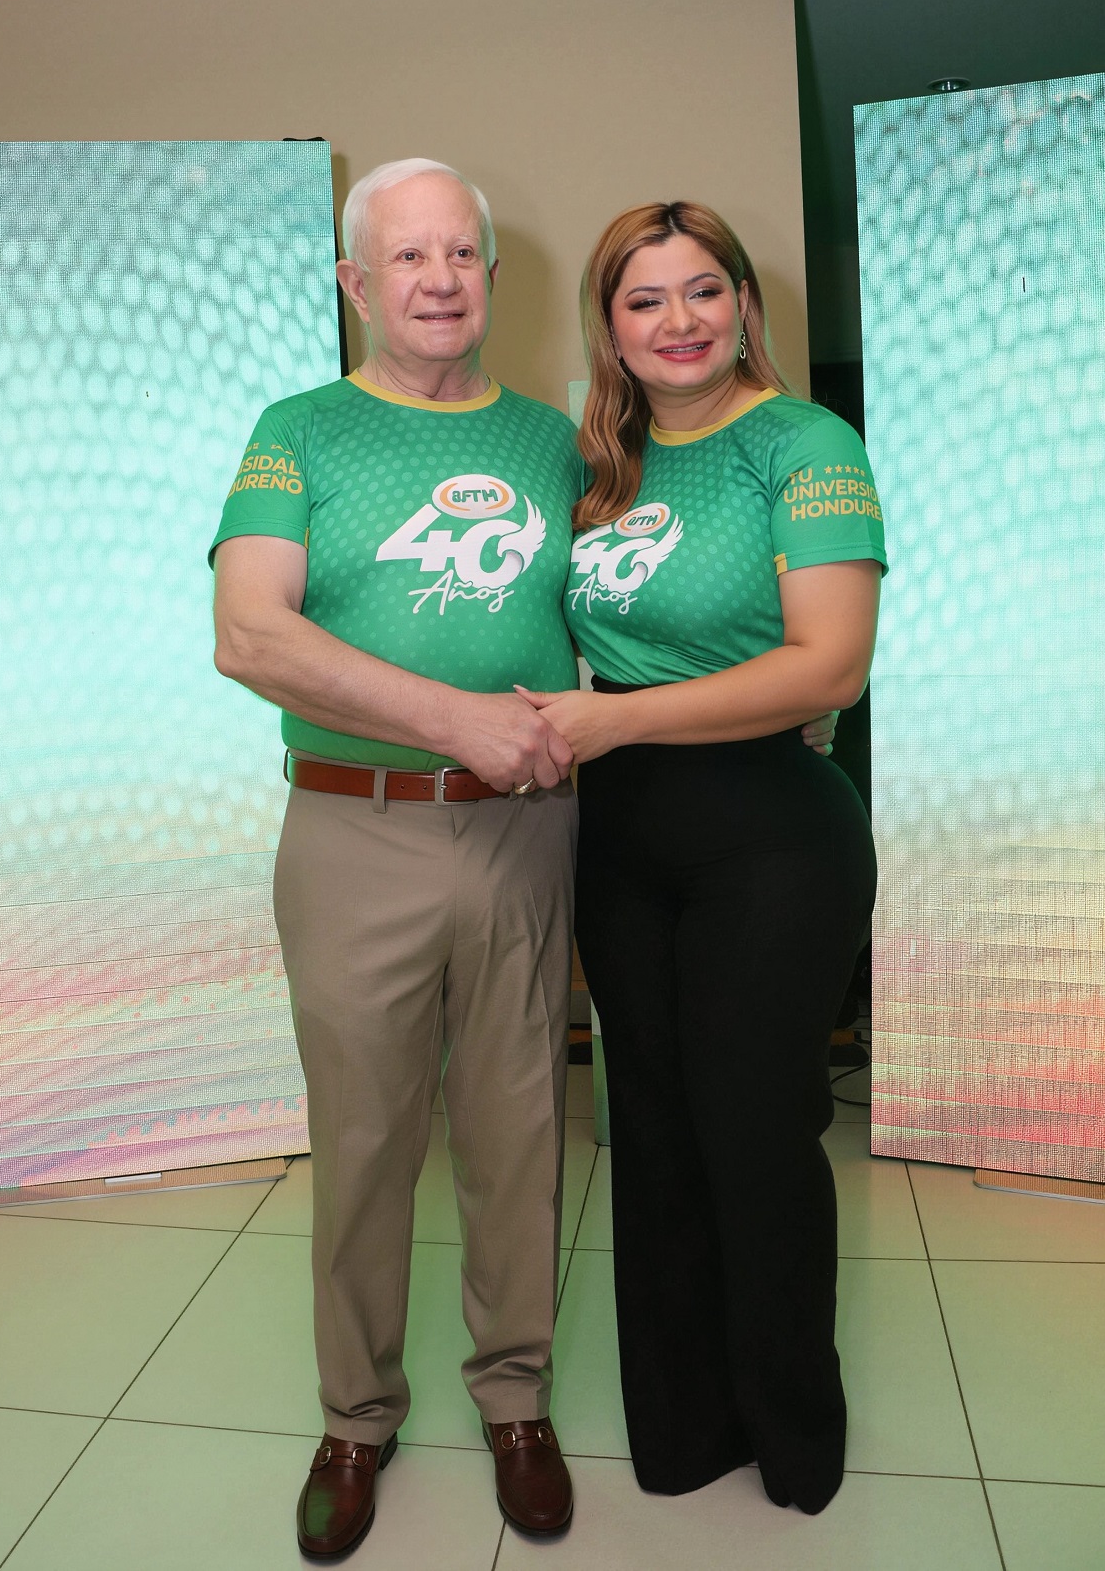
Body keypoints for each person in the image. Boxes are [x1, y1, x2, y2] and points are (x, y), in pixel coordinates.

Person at [210, 159, 584, 1556]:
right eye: (408, 257)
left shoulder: (556, 442)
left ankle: (515, 1399)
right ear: (357, 284)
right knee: (365, 1142)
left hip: (526, 835)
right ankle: (355, 1417)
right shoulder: (297, 432)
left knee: (519, 1131)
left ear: (490, 273)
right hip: (351, 825)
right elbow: (250, 632)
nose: (439, 280)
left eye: (460, 254)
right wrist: (454, 720)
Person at [518, 200, 885, 1516]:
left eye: (702, 291)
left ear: (743, 303)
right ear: (609, 328)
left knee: (755, 1136)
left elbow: (827, 666)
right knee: (655, 1134)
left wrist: (616, 720)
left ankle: (793, 1435)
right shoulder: (598, 465)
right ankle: (680, 1432)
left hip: (769, 835)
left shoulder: (802, 445)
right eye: (644, 299)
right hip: (622, 840)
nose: (677, 321)